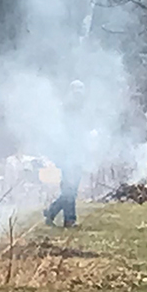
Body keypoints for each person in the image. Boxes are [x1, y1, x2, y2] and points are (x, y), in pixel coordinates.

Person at [43, 80, 89, 228]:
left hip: (75, 155)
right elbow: (65, 134)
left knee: (71, 189)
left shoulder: (79, 110)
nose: (79, 95)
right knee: (69, 188)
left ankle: (51, 212)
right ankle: (69, 220)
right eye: (77, 92)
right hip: (67, 155)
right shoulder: (68, 108)